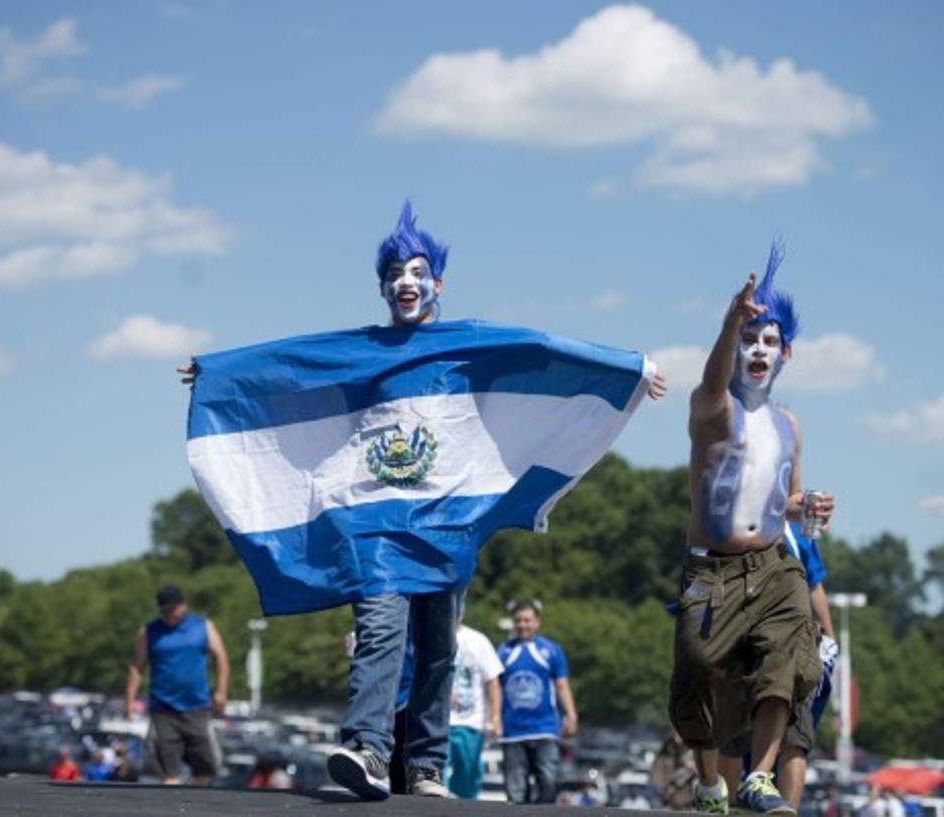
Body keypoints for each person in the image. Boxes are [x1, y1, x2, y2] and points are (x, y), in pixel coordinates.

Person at [179, 202, 665, 802]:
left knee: (438, 649)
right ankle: (367, 747)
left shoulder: (466, 343)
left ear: (439, 283)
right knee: (380, 629)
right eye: (394, 275)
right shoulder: (363, 349)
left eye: (416, 272)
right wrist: (219, 374)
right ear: (382, 287)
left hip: (446, 523)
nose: (405, 283)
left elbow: (539, 348)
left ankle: (427, 766)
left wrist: (627, 368)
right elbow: (293, 361)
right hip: (376, 524)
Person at [669, 242, 833, 816]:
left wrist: (809, 506)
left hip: (772, 565)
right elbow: (713, 382)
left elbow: (786, 500)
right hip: (710, 568)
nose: (757, 349)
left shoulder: (789, 425)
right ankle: (709, 782)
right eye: (748, 339)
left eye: (768, 341)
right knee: (698, 675)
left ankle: (758, 778)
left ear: (786, 353)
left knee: (786, 660)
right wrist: (728, 324)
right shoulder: (713, 408)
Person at [723, 520, 840, 807]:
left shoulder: (797, 533)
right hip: (744, 640)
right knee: (733, 734)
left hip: (791, 645)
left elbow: (814, 585)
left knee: (794, 739)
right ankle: (727, 806)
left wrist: (829, 638)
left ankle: (783, 807)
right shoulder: (740, 522)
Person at [124, 584, 230, 785]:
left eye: (173, 609)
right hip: (163, 708)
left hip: (196, 706)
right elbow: (137, 667)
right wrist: (129, 700)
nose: (169, 615)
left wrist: (221, 691)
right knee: (168, 769)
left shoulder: (203, 626)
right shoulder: (149, 631)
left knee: (205, 766)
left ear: (183, 606)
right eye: (164, 611)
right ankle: (171, 794)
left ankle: (197, 798)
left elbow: (221, 657)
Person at [498, 599, 576, 804]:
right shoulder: (503, 652)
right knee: (515, 792)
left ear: (537, 622)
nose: (522, 625)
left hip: (545, 729)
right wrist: (494, 718)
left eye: (527, 620)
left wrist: (571, 714)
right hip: (512, 733)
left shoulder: (551, 650)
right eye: (518, 621)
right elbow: (495, 688)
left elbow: (562, 685)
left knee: (549, 782)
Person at [445, 603, 503, 799]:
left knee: (467, 778)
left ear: (462, 613)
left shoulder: (478, 640)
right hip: (439, 723)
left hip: (470, 722)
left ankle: (465, 808)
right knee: (436, 775)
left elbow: (492, 681)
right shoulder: (433, 635)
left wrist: (495, 717)